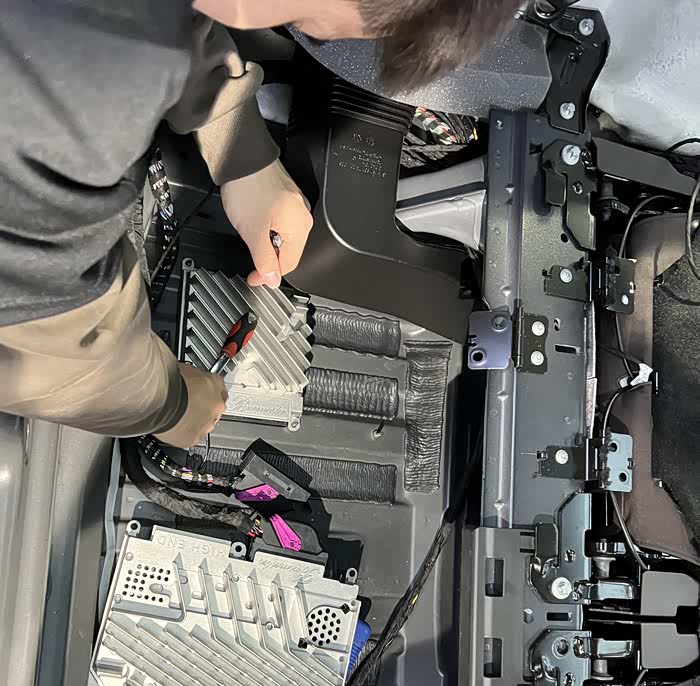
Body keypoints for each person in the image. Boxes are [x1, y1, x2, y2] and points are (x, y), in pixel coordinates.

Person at [0, 0, 521, 447]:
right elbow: (52, 351)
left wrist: (242, 152)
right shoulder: (67, 110)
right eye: (316, 29)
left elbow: (156, 22)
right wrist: (169, 405)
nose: (320, 38)